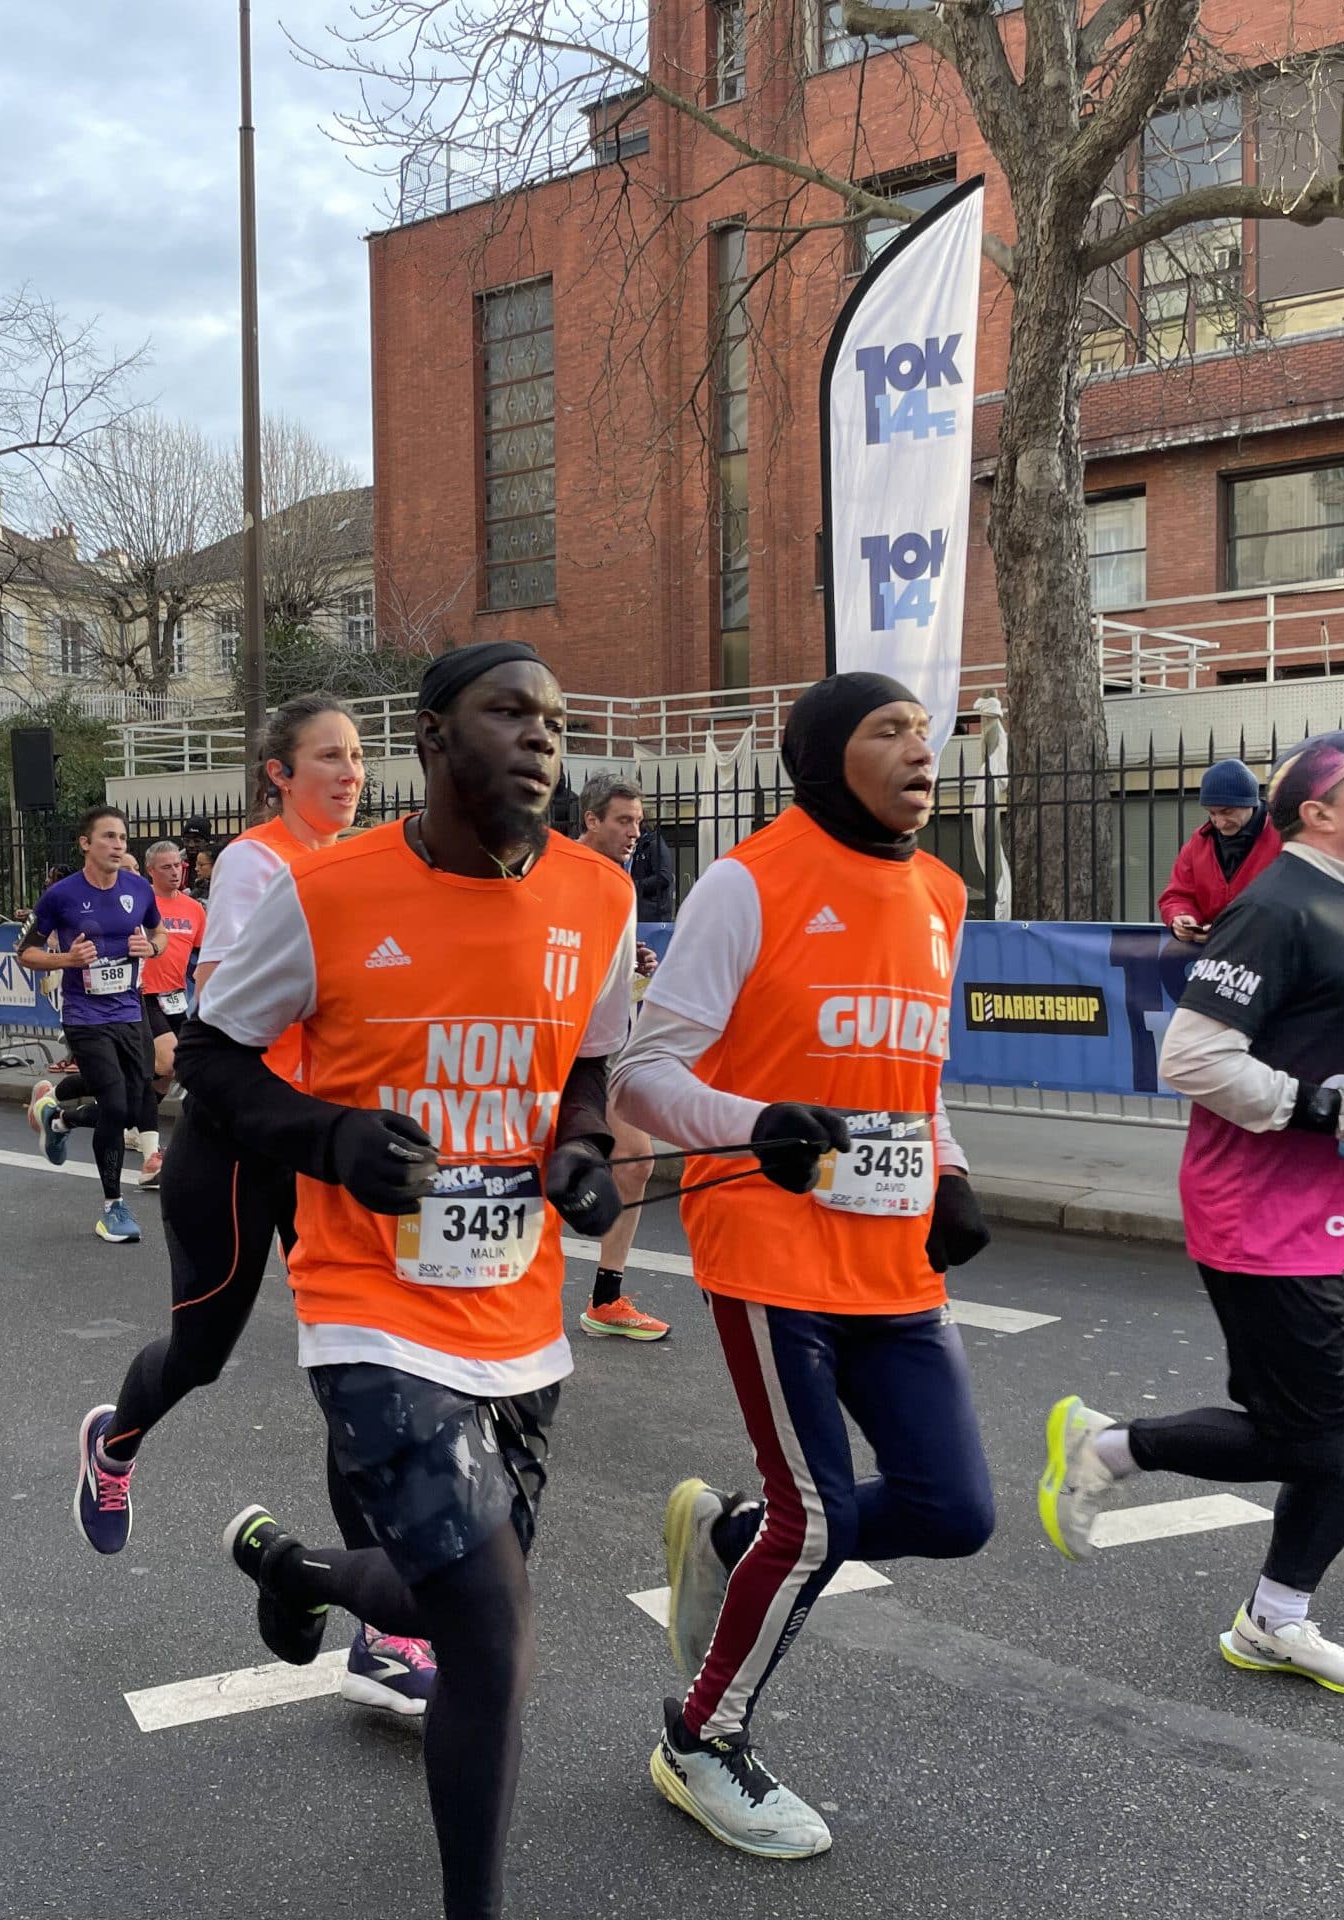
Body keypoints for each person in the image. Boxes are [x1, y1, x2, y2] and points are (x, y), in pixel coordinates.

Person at [191, 643, 634, 1920]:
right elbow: (214, 1064)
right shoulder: (326, 892)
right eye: (510, 714)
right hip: (367, 1303)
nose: (542, 739)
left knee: (451, 1590)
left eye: (555, 719)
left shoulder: (599, 897)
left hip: (516, 1310)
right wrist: (325, 1137)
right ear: (433, 735)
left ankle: (299, 1572)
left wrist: (581, 1153)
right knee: (490, 1632)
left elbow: (588, 1074)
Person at [1038, 730, 1344, 1700]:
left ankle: (1274, 1620)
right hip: (1261, 1222)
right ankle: (1106, 1447)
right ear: (1317, 813)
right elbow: (1193, 1059)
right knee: (1311, 1439)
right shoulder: (1277, 906)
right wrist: (1326, 1106)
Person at [615, 676, 995, 1859]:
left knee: (953, 1510)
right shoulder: (749, 881)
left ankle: (733, 1540)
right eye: (890, 731)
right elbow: (640, 1075)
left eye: (925, 734)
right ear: (825, 758)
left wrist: (953, 1166)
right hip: (770, 1243)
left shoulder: (941, 889)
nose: (919, 750)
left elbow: (913, 1073)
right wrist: (753, 1122)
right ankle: (699, 1739)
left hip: (890, 1255)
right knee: (820, 1516)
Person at [72, 698, 438, 1714]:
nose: (350, 772)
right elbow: (229, 1013)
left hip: (333, 1150)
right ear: (278, 773)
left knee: (352, 1378)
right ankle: (116, 1439)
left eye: (361, 757)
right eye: (329, 756)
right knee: (199, 1356)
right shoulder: (257, 864)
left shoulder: (371, 864)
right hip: (241, 1145)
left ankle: (383, 1636)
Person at [19, 805, 161, 1244]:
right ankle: (113, 1208)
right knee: (116, 1107)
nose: (119, 845)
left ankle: (57, 1118)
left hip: (130, 1012)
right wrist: (67, 959)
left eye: (122, 837)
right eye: (109, 837)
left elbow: (160, 934)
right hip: (84, 1016)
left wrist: (149, 948)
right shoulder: (60, 895)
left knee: (138, 1106)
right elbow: (26, 952)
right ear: (85, 844)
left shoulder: (139, 889)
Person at [572, 773, 671, 1341]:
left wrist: (630, 959)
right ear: (591, 820)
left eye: (638, 821)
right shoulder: (559, 867)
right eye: (623, 821)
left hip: (605, 1044)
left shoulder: (620, 877)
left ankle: (606, 1299)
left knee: (634, 1162)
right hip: (558, 1044)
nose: (636, 832)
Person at [130, 838, 206, 1187]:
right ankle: (150, 1154)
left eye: (178, 865)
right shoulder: (140, 903)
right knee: (166, 1062)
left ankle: (131, 1122)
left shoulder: (194, 909)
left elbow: (205, 956)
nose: (175, 872)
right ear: (151, 871)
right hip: (143, 995)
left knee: (169, 1073)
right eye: (166, 867)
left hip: (176, 997)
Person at [1158, 759, 1282, 945]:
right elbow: (1176, 895)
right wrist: (1181, 916)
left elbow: (1296, 901)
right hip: (1215, 957)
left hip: (1270, 953)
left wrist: (1231, 928)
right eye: (1212, 813)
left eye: (1227, 812)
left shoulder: (1285, 838)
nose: (1219, 822)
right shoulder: (1198, 842)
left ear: (1250, 803)